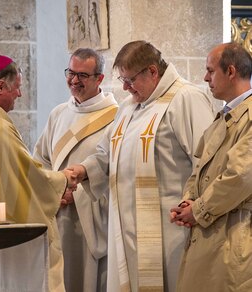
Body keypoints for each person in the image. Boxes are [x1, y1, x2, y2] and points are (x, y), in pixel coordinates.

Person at [68, 40, 215, 292]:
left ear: (153, 71)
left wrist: (199, 205)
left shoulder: (186, 99)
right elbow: (106, 152)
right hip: (126, 230)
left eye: (130, 80)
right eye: (122, 80)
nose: (125, 88)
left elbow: (208, 162)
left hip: (169, 232)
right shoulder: (128, 107)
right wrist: (81, 171)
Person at [0, 55, 77, 292]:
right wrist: (64, 180)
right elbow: (26, 178)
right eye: (17, 87)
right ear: (0, 86)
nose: (20, 94)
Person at [34, 48, 118, 292]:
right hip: (58, 212)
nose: (73, 80)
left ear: (99, 79)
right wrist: (53, 189)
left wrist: (77, 194)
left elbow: (114, 165)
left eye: (82, 75)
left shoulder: (116, 116)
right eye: (70, 73)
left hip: (92, 217)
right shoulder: (58, 113)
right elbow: (40, 159)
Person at [170, 42, 252, 291]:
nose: (205, 78)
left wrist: (199, 209)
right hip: (211, 233)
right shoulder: (225, 116)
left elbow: (240, 176)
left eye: (210, 71)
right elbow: (199, 169)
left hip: (234, 233)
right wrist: (188, 201)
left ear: (230, 71)